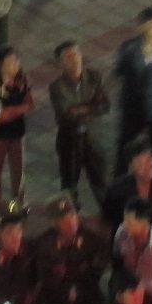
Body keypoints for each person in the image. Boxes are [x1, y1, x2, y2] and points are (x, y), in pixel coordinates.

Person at [32, 193, 106, 304]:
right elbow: (45, 277)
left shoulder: (90, 238)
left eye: (72, 216)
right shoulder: (44, 244)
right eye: (64, 220)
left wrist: (77, 285)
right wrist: (68, 286)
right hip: (58, 302)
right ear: (55, 223)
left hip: (85, 297)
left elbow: (98, 266)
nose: (71, 222)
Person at [50, 41, 110, 206]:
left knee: (101, 184)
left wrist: (80, 109)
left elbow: (104, 105)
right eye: (68, 57)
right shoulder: (57, 87)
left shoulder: (93, 77)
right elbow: (65, 114)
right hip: (70, 143)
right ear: (61, 63)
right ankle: (71, 215)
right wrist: (91, 107)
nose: (74, 60)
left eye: (76, 54)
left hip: (93, 139)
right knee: (69, 188)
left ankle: (108, 213)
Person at [114, 9, 152, 165]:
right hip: (132, 106)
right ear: (143, 27)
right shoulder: (128, 49)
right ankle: (122, 174)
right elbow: (120, 71)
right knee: (126, 144)